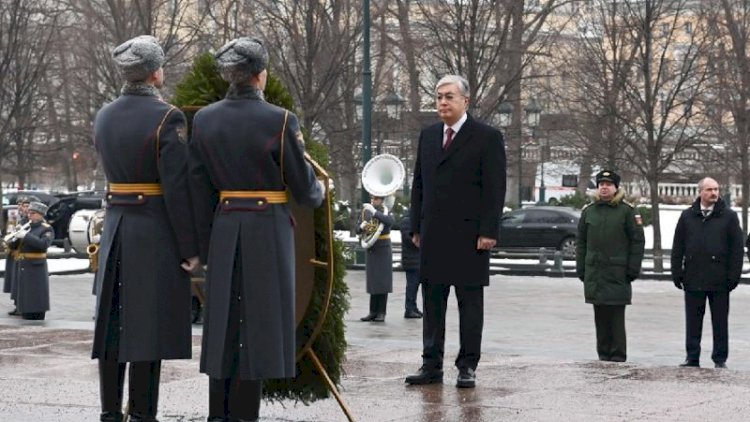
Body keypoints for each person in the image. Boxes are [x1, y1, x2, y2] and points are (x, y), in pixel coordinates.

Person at [188, 37, 324, 422]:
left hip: (225, 227)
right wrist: (318, 189)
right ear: (260, 76)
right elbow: (304, 188)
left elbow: (199, 189)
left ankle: (219, 415)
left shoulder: (205, 119)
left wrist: (204, 245)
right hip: (267, 230)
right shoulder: (279, 120)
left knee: (223, 329)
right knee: (259, 329)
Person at [91, 35, 199, 422]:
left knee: (112, 325)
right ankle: (141, 413)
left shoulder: (103, 115)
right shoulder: (168, 117)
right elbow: (177, 188)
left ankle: (108, 411)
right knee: (147, 329)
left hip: (116, 227)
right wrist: (190, 249)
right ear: (155, 73)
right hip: (153, 231)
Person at [405, 75, 506, 389]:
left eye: (449, 97)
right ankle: (430, 364)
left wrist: (488, 230)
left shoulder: (486, 137)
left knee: (469, 304)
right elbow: (418, 184)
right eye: (438, 97)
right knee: (433, 303)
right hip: (434, 234)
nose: (442, 103)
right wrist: (415, 226)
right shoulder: (429, 135)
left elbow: (495, 188)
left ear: (466, 101)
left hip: (470, 237)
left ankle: (467, 365)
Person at [671, 177, 744, 369]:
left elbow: (737, 249)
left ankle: (720, 358)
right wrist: (676, 271)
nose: (714, 193)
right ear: (700, 192)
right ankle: (692, 357)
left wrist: (734, 276)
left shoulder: (729, 216)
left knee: (720, 322)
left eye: (716, 189)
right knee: (693, 321)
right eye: (709, 189)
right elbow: (678, 246)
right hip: (693, 277)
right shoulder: (688, 216)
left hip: (719, 278)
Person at [576, 170, 645, 362]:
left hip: (617, 273)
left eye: (608, 184)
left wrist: (633, 268)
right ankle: (603, 355)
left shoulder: (627, 211)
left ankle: (617, 356)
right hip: (595, 273)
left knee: (615, 317)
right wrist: (581, 267)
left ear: (616, 188)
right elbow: (581, 242)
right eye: (601, 184)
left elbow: (637, 241)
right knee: (600, 317)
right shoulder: (589, 211)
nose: (604, 187)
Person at [8, 201, 54, 320]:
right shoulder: (27, 227)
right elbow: (14, 247)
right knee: (25, 296)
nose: (29, 215)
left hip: (36, 266)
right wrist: (14, 238)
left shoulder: (46, 229)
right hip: (23, 265)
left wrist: (26, 236)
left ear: (40, 215)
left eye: (32, 213)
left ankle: (36, 315)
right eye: (29, 213)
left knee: (36, 295)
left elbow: (43, 244)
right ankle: (25, 312)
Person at [357, 195, 395, 322]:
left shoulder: (386, 211)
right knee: (373, 281)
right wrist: (361, 227)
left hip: (383, 248)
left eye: (376, 199)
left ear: (382, 200)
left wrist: (375, 213)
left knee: (382, 281)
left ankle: (381, 313)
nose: (373, 201)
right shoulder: (366, 212)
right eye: (372, 199)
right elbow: (358, 229)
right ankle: (372, 311)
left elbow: (390, 221)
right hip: (372, 248)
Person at [4, 196, 32, 316]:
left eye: (25, 205)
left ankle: (21, 306)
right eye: (20, 204)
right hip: (14, 251)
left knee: (21, 282)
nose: (22, 207)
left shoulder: (30, 220)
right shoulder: (16, 216)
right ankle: (17, 304)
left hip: (23, 254)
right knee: (14, 281)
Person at [399, 215, 422, 319]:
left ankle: (413, 307)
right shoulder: (407, 221)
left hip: (416, 259)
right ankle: (409, 309)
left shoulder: (414, 220)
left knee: (415, 286)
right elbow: (410, 239)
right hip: (411, 260)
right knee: (412, 286)